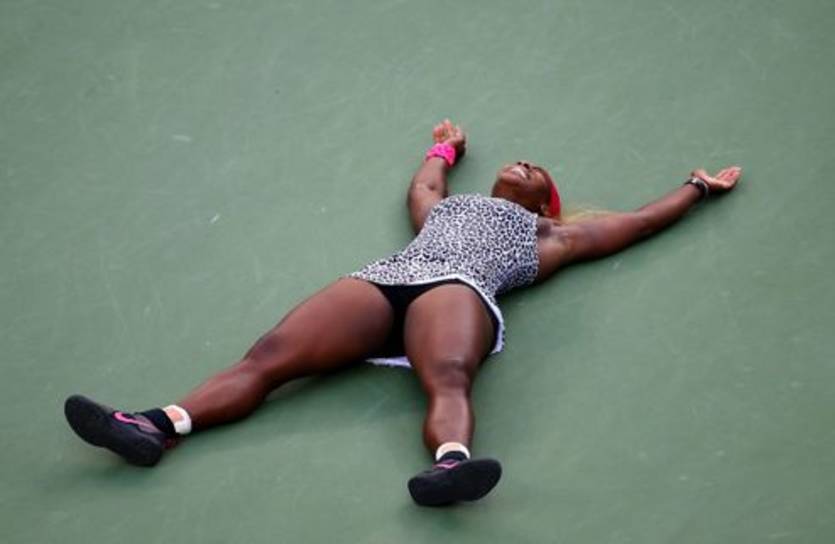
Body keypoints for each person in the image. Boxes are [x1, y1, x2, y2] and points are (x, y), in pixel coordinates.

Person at [64, 120, 742, 507]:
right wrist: (443, 150)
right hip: (384, 280)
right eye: (521, 162)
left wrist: (695, 188)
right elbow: (423, 186)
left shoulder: (550, 238)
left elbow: (637, 223)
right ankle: (153, 425)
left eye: (537, 171)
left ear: (543, 205)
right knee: (268, 358)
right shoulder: (444, 209)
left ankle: (450, 466)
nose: (525, 162)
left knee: (446, 376)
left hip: (459, 289)